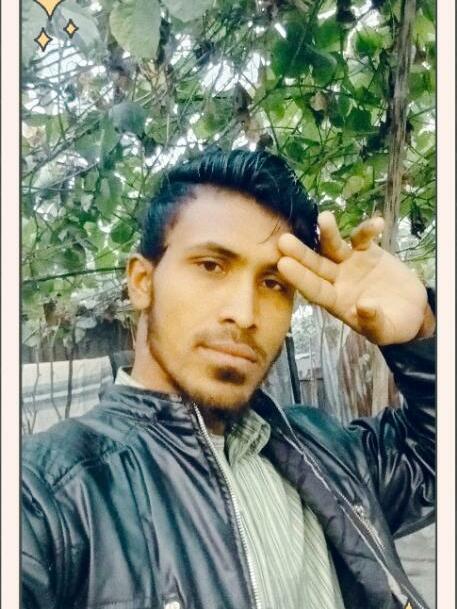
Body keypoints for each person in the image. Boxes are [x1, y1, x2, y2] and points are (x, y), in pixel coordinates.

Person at [22, 149, 435, 609]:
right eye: (211, 266)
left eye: (273, 284)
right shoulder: (46, 494)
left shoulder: (323, 453)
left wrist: (421, 332)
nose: (244, 313)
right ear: (141, 281)